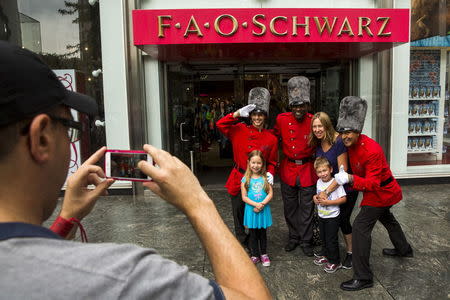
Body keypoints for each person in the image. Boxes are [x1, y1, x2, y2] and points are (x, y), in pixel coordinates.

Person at [0, 41, 271, 299]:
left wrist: (67, 219)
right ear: (42, 138)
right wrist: (197, 202)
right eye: (69, 128)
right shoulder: (123, 277)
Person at [332, 96, 413, 292]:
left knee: (360, 228)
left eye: (349, 132)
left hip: (382, 192)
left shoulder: (372, 150)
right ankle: (404, 249)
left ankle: (363, 277)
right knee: (388, 219)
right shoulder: (346, 142)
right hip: (375, 191)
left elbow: (373, 183)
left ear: (358, 131)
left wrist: (350, 178)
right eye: (343, 132)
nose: (345, 136)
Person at [217, 87, 278, 248]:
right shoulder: (239, 129)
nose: (257, 118)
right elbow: (220, 124)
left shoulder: (271, 138)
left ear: (265, 117)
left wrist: (271, 173)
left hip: (258, 181)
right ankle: (242, 240)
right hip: (239, 177)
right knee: (238, 213)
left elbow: (272, 161)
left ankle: (254, 242)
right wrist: (236, 114)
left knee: (254, 212)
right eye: (255, 114)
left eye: (261, 115)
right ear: (250, 116)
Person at [272, 76, 317, 256]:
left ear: (307, 105)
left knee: (307, 208)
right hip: (288, 169)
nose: (298, 109)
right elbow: (273, 138)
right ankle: (293, 237)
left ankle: (306, 240)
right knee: (290, 208)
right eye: (295, 105)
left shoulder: (314, 120)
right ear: (290, 106)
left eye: (302, 105)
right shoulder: (282, 119)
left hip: (308, 170)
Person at [309, 112, 359, 269]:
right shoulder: (318, 143)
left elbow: (342, 174)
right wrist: (319, 193)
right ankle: (328, 252)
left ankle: (351, 253)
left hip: (344, 189)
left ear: (327, 125)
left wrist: (326, 192)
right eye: (314, 126)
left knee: (343, 220)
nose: (317, 129)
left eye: (320, 126)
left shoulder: (338, 142)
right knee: (327, 223)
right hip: (327, 189)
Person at [312, 157, 347, 273]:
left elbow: (343, 199)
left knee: (331, 239)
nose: (322, 174)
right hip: (322, 215)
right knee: (323, 238)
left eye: (324, 170)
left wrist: (329, 202)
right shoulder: (318, 182)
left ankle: (335, 262)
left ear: (331, 169)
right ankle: (326, 256)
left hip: (332, 217)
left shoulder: (336, 183)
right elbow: (317, 194)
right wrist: (315, 198)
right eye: (319, 172)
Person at [241, 150, 273, 267]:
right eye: (253, 162)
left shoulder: (266, 178)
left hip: (263, 210)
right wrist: (256, 204)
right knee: (253, 234)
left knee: (262, 233)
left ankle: (264, 254)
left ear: (263, 164)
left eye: (259, 163)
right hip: (251, 211)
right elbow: (244, 197)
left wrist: (262, 204)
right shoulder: (245, 179)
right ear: (249, 163)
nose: (256, 165)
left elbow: (270, 194)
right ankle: (255, 255)